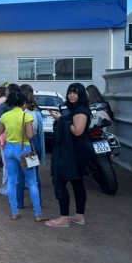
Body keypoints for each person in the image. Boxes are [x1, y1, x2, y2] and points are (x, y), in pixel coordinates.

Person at [47, 83, 93, 228]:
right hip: (74, 151)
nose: (72, 95)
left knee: (60, 180)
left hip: (74, 152)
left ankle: (64, 218)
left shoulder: (81, 110)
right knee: (77, 182)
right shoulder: (73, 108)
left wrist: (61, 120)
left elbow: (77, 131)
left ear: (81, 94)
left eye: (75, 93)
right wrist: (60, 119)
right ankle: (79, 216)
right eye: (70, 92)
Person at [0, 91, 48, 222]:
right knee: (32, 182)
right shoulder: (26, 116)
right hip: (24, 149)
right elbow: (30, 135)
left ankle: (15, 212)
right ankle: (38, 214)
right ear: (24, 103)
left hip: (9, 149)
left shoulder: (5, 116)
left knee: (12, 181)